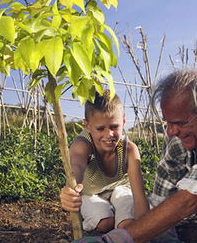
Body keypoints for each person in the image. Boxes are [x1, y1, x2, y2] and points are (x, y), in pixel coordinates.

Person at [70, 68, 197, 243]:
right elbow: (161, 197)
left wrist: (113, 240)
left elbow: (193, 197)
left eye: (179, 123)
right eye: (167, 122)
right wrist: (155, 233)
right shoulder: (178, 136)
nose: (171, 132)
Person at [60, 90, 149, 233]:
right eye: (100, 128)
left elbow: (139, 197)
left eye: (114, 126)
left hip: (120, 190)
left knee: (127, 225)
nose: (109, 135)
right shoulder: (82, 145)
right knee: (105, 223)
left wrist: (144, 231)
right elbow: (76, 167)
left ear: (123, 121)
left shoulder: (130, 150)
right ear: (87, 126)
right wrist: (70, 191)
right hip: (90, 193)